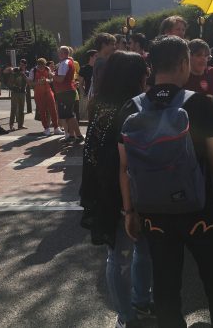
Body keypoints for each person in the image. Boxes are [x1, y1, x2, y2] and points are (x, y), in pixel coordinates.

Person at [117, 36, 213, 328]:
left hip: (153, 212)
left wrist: (130, 212)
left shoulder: (131, 108)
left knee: (166, 285)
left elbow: (124, 167)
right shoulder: (198, 104)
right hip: (201, 209)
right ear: (184, 63)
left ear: (152, 66)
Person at [80, 51, 153, 328]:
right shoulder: (130, 108)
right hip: (123, 193)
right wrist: (128, 206)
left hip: (107, 190)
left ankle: (137, 306)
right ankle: (127, 314)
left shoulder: (103, 105)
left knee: (129, 253)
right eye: (143, 72)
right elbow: (122, 162)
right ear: (135, 76)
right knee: (123, 254)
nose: (147, 76)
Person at [54, 46, 83, 144]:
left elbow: (61, 79)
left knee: (69, 115)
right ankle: (72, 136)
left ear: (64, 53)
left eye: (60, 52)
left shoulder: (65, 63)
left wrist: (51, 75)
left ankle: (78, 136)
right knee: (68, 115)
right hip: (66, 91)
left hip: (65, 92)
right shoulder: (67, 62)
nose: (58, 54)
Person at [28, 58, 62, 136]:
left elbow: (51, 79)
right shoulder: (33, 71)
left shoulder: (47, 68)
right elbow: (30, 83)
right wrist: (38, 82)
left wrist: (47, 80)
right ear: (38, 65)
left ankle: (56, 128)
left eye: (43, 66)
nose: (42, 68)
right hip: (38, 93)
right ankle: (46, 128)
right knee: (42, 112)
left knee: (53, 110)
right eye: (40, 67)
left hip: (48, 91)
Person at [91, 33, 117, 98]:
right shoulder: (102, 63)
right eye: (112, 44)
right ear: (103, 45)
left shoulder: (100, 61)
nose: (114, 47)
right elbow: (103, 85)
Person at [5, 64, 27, 131]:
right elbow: (9, 84)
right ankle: (12, 125)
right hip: (16, 93)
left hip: (21, 93)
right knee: (15, 109)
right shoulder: (14, 75)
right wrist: (14, 88)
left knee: (21, 109)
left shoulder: (23, 75)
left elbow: (27, 82)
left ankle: (20, 125)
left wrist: (24, 75)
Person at [78, 49, 97, 120]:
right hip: (88, 96)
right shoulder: (84, 69)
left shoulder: (99, 67)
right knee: (88, 117)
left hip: (98, 95)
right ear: (90, 57)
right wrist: (84, 95)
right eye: (96, 56)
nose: (98, 57)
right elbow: (80, 84)